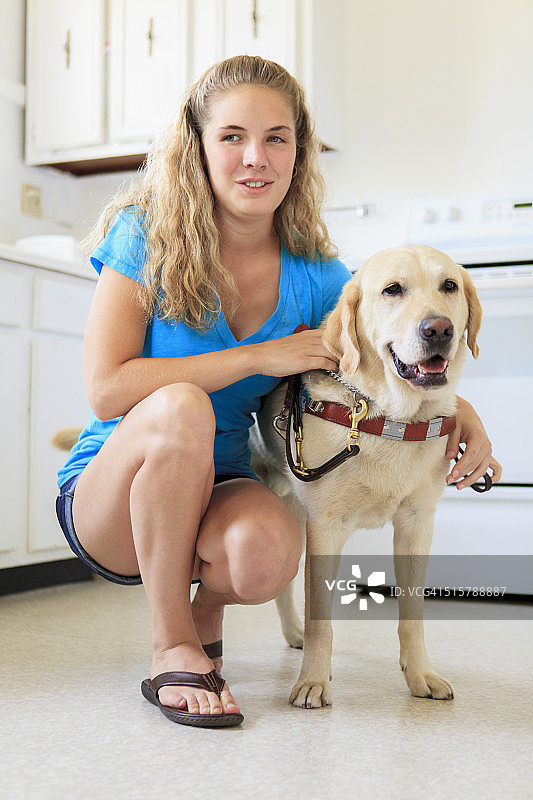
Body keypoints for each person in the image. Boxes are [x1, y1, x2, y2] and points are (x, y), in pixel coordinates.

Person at [55, 55, 501, 728]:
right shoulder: (144, 236)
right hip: (113, 499)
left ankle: (204, 619)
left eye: (276, 137)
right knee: (180, 406)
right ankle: (170, 641)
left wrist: (458, 410)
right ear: (198, 145)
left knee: (269, 553)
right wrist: (256, 356)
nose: (254, 157)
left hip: (222, 481)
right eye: (232, 136)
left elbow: (387, 348)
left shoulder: (320, 278)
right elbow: (106, 389)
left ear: (298, 152)